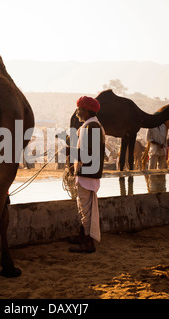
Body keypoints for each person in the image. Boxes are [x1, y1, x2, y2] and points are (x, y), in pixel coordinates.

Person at [68, 96, 105, 253]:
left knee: (86, 210)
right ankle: (83, 236)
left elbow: (90, 153)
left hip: (87, 174)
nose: (77, 112)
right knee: (84, 208)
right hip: (86, 173)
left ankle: (89, 243)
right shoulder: (88, 126)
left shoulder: (93, 128)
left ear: (87, 111)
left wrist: (71, 153)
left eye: (79, 109)